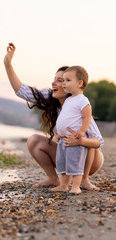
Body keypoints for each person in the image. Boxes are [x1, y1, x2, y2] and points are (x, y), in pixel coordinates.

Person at [4, 42, 104, 191]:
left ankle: (84, 180)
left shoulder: (80, 104)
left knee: (86, 139)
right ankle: (53, 179)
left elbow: (98, 142)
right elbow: (23, 91)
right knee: (34, 140)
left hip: (91, 159)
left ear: (71, 85)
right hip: (69, 153)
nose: (54, 83)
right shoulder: (52, 98)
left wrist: (81, 139)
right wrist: (8, 64)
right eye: (55, 79)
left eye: (61, 80)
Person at [51, 66, 95, 194]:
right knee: (64, 163)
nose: (64, 83)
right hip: (63, 138)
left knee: (75, 163)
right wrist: (58, 133)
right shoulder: (69, 100)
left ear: (79, 83)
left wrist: (81, 131)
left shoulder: (82, 100)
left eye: (67, 80)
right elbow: (64, 117)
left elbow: (87, 117)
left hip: (74, 138)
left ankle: (76, 186)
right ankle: (64, 185)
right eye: (63, 80)